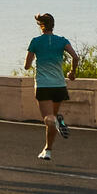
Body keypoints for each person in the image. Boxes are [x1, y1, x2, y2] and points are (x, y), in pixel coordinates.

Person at [25, 13, 79, 160]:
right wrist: (72, 72)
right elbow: (75, 57)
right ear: (53, 25)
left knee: (48, 119)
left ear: (40, 25)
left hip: (43, 85)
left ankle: (57, 121)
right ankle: (48, 150)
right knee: (52, 119)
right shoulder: (62, 41)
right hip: (59, 85)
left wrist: (31, 64)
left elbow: (26, 65)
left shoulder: (35, 41)